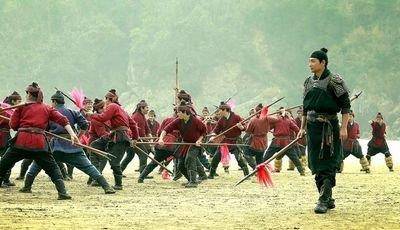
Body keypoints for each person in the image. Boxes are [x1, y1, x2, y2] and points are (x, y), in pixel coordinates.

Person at [298, 48, 351, 214]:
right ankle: (328, 196)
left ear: (323, 63)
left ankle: (322, 199)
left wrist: (343, 128)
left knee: (328, 163)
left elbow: (345, 107)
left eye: (313, 61)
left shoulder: (335, 80)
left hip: (329, 128)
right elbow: (305, 109)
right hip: (312, 128)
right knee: (315, 163)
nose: (310, 64)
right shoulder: (308, 81)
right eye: (309, 61)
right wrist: (302, 128)